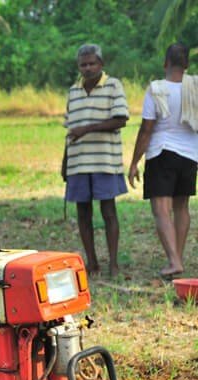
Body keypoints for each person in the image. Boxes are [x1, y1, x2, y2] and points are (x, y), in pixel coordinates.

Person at [128, 43, 197, 281]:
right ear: (186, 64)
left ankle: (174, 261)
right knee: (181, 208)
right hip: (190, 155)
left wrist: (134, 162)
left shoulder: (157, 89)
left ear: (165, 63)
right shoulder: (195, 87)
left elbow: (147, 129)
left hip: (162, 152)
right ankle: (176, 258)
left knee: (161, 209)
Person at [64, 44, 130, 278]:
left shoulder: (113, 86)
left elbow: (121, 120)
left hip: (105, 162)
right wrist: (65, 165)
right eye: (84, 64)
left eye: (92, 63)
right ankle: (92, 262)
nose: (88, 68)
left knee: (108, 211)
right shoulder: (73, 91)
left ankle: (113, 263)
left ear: (101, 64)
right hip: (78, 164)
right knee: (83, 214)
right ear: (78, 67)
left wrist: (87, 129)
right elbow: (70, 132)